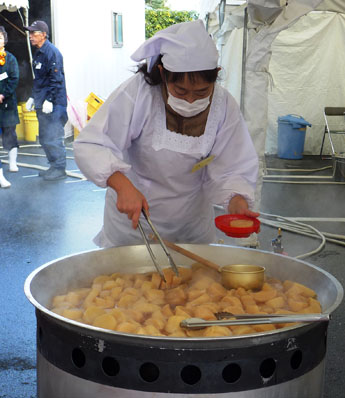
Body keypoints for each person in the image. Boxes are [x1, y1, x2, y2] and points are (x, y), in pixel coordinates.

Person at [74, 20, 258, 248]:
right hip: (135, 225)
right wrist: (122, 185)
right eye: (180, 90)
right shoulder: (139, 93)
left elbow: (233, 165)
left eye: (201, 92)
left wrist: (237, 200)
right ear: (162, 73)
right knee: (129, 281)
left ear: (217, 75)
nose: (190, 100)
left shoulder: (223, 105)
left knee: (196, 281)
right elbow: (92, 144)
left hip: (191, 227)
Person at [24, 20, 68, 181]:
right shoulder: (38, 52)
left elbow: (56, 79)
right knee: (44, 137)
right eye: (30, 34)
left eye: (34, 33)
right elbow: (39, 80)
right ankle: (53, 165)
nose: (30, 37)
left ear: (43, 35)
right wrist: (32, 97)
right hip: (42, 102)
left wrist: (50, 99)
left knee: (54, 136)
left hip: (54, 103)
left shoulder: (52, 53)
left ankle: (59, 168)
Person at [0, 25, 20, 188]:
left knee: (10, 134)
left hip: (7, 104)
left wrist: (3, 94)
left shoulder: (11, 59)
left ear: (4, 40)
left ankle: (12, 162)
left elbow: (14, 78)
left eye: (0, 37)